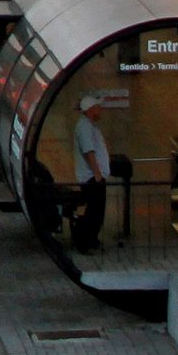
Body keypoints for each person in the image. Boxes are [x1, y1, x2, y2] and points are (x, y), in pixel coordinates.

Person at [71, 94, 111, 255]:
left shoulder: (89, 126)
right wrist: (97, 174)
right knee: (94, 210)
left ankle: (92, 239)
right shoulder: (84, 127)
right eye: (98, 108)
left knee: (97, 210)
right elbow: (89, 151)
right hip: (91, 177)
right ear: (90, 109)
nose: (100, 110)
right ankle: (84, 241)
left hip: (94, 176)